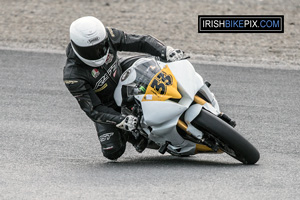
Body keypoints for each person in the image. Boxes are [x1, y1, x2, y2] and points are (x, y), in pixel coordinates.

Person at [63, 16, 184, 160]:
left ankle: (182, 88)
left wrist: (164, 50)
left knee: (158, 62)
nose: (98, 53)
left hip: (123, 74)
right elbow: (93, 109)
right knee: (112, 151)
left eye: (101, 47)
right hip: (108, 106)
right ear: (76, 47)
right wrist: (120, 120)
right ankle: (137, 136)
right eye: (90, 51)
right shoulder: (73, 75)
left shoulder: (109, 35)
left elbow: (141, 42)